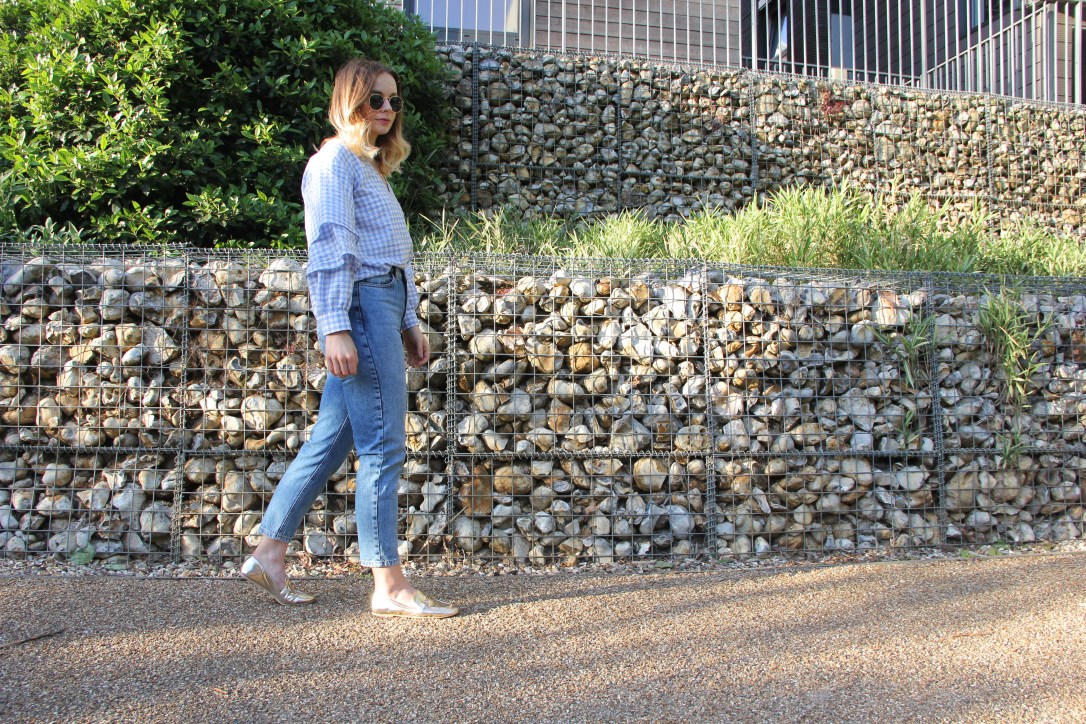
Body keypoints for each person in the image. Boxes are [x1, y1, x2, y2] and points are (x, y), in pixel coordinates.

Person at [240, 59, 458, 619]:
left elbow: (393, 257)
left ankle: (268, 553)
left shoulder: (366, 166)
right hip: (360, 308)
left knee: (331, 443)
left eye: (391, 101)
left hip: (379, 305)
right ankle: (388, 584)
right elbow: (331, 251)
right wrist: (335, 326)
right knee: (384, 445)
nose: (386, 110)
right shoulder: (334, 162)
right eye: (374, 100)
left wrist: (408, 319)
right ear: (348, 102)